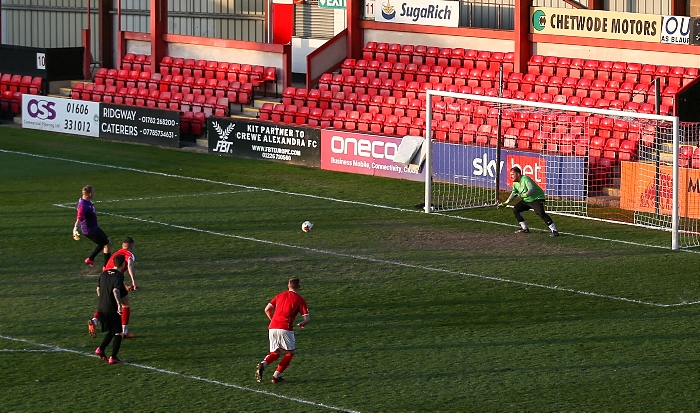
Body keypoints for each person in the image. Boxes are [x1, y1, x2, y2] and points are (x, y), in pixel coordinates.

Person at [255, 277, 310, 384]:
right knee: (290, 353)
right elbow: (307, 319)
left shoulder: (279, 295)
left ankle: (263, 364)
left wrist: (274, 320)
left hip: (272, 327)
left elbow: (267, 309)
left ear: (288, 286)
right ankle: (276, 376)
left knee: (275, 353)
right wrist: (302, 323)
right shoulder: (300, 300)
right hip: (285, 328)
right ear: (299, 287)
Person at [88, 237, 137, 339]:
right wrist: (133, 282)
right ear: (131, 247)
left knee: (106, 304)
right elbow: (130, 266)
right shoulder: (129, 255)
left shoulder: (116, 254)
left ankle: (94, 321)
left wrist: (125, 286)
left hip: (104, 278)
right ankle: (124, 331)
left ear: (122, 246)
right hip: (114, 280)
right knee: (125, 304)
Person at [498, 166, 559, 237]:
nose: (511, 176)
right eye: (510, 174)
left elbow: (532, 190)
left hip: (537, 198)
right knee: (516, 209)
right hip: (527, 200)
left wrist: (524, 195)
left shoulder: (525, 179)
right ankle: (524, 228)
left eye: (512, 174)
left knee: (540, 213)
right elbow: (514, 193)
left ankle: (554, 231)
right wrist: (506, 202)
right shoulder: (515, 183)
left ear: (518, 174)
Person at [94, 254, 127, 364]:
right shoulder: (119, 275)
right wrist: (118, 305)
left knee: (112, 331)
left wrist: (103, 299)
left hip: (101, 307)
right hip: (111, 308)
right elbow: (115, 291)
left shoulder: (103, 274)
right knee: (118, 332)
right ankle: (113, 357)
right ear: (123, 264)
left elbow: (98, 289)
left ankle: (100, 349)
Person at [73, 185, 111, 267]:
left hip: (94, 227)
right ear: (89, 194)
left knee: (106, 242)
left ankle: (91, 259)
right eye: (93, 192)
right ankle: (106, 266)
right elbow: (79, 218)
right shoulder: (83, 205)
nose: (94, 194)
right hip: (90, 230)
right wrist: (75, 229)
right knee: (106, 244)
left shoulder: (85, 200)